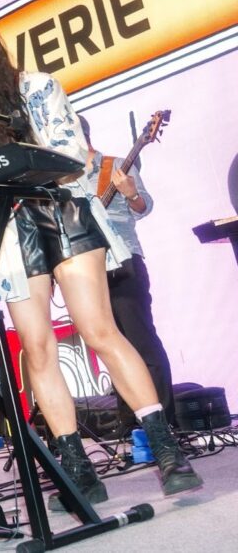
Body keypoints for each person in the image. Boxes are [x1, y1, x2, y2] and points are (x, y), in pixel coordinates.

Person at [0, 12, 200, 509]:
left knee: (99, 329)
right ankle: (78, 470)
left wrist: (14, 169)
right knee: (36, 348)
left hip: (63, 209)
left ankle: (167, 452)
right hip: (8, 225)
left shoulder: (36, 86)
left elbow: (71, 152)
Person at [78, 115, 175, 429]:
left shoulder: (115, 165)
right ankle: (130, 425)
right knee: (111, 348)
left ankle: (166, 423)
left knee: (141, 340)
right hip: (88, 270)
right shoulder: (65, 178)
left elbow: (145, 206)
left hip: (123, 263)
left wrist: (131, 193)